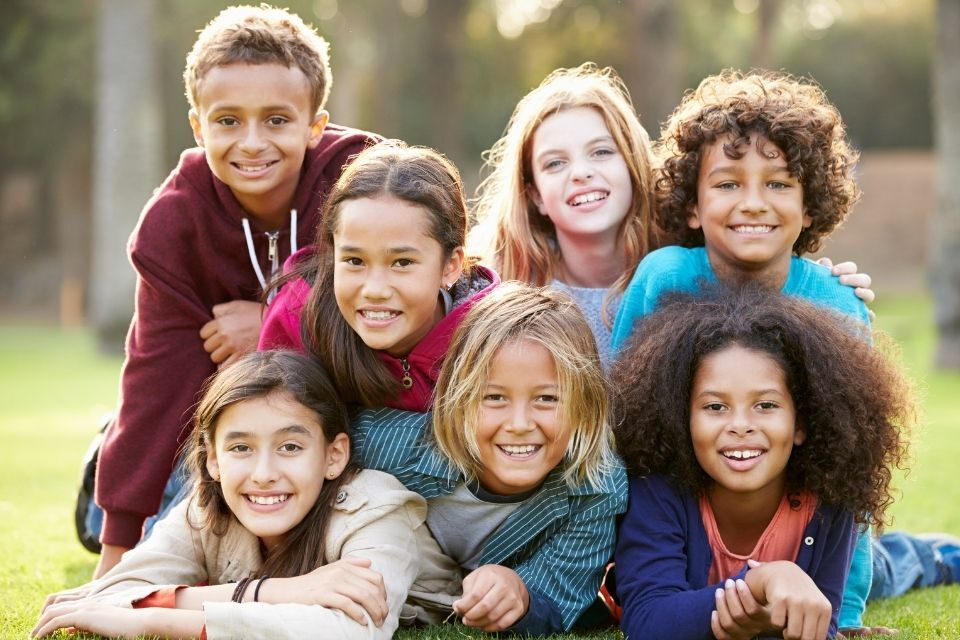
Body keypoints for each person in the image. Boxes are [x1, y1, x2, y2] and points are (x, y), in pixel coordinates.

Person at [88, 5, 379, 576]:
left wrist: (274, 320)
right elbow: (156, 375)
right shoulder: (172, 225)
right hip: (224, 439)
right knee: (188, 535)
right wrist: (118, 548)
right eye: (227, 121)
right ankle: (98, 494)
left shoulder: (364, 182)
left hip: (340, 418)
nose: (251, 143)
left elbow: (400, 300)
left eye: (276, 120)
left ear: (316, 125)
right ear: (198, 127)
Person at [470, 62, 871, 368]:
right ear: (534, 194)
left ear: (634, 165)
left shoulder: (682, 263)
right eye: (555, 163)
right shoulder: (496, 291)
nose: (580, 172)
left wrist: (827, 283)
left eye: (601, 152)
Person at [36, 351, 437, 640]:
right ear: (213, 460)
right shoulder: (208, 508)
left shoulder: (377, 509)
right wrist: (274, 591)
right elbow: (111, 594)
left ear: (334, 456)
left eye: (291, 447)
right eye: (241, 448)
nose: (263, 475)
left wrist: (151, 621)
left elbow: (349, 630)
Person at [610, 288, 913, 640]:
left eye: (766, 405)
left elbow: (821, 625)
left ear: (801, 423)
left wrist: (755, 614)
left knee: (899, 565)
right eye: (715, 407)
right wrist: (760, 583)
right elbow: (647, 621)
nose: (740, 425)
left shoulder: (829, 496)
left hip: (884, 560)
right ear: (683, 420)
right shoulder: (659, 489)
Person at [351, 282, 626, 635]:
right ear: (458, 399)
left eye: (547, 399)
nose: (520, 424)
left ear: (584, 405)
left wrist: (520, 595)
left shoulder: (596, 487)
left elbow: (559, 597)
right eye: (494, 398)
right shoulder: (392, 444)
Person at [258, 141, 499, 411]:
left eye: (402, 262)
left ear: (450, 265)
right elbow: (272, 428)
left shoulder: (493, 339)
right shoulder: (300, 319)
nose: (375, 289)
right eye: (354, 261)